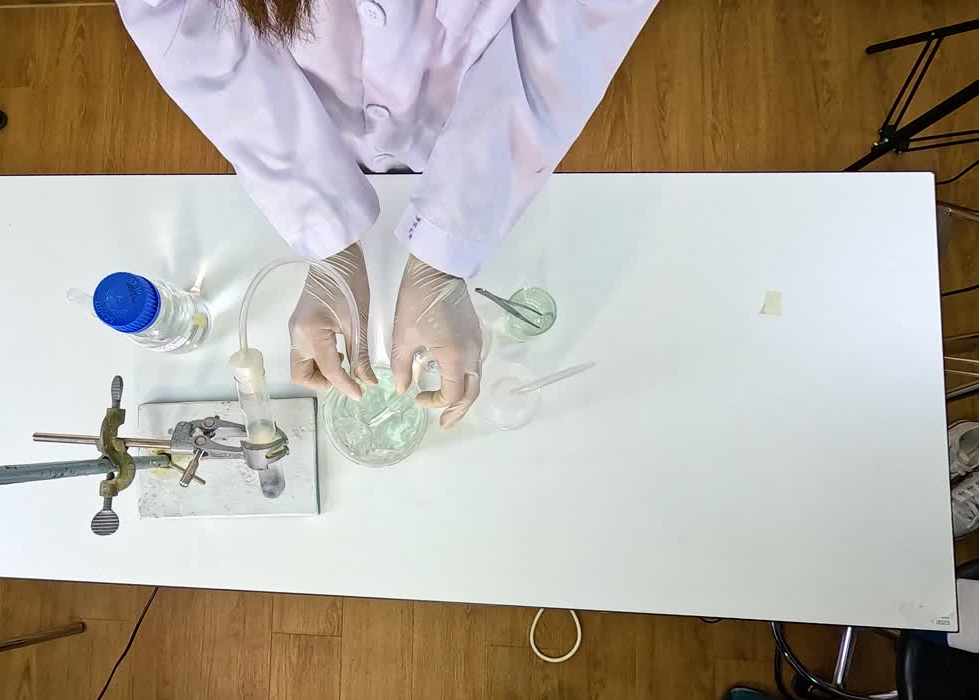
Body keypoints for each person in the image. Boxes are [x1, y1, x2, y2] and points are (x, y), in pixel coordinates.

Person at [114, 0, 657, 426]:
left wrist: (446, 247)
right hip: (301, 110)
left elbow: (577, 19)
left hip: (487, 102)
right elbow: (178, 16)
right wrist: (324, 228)